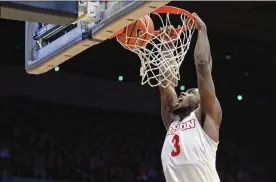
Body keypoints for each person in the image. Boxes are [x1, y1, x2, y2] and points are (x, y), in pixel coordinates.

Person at [159, 13, 222, 182]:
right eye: (185, 92)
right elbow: (166, 86)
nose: (183, 93)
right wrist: (167, 47)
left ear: (201, 101)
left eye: (190, 92)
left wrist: (202, 30)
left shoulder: (206, 118)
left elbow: (202, 67)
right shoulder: (173, 123)